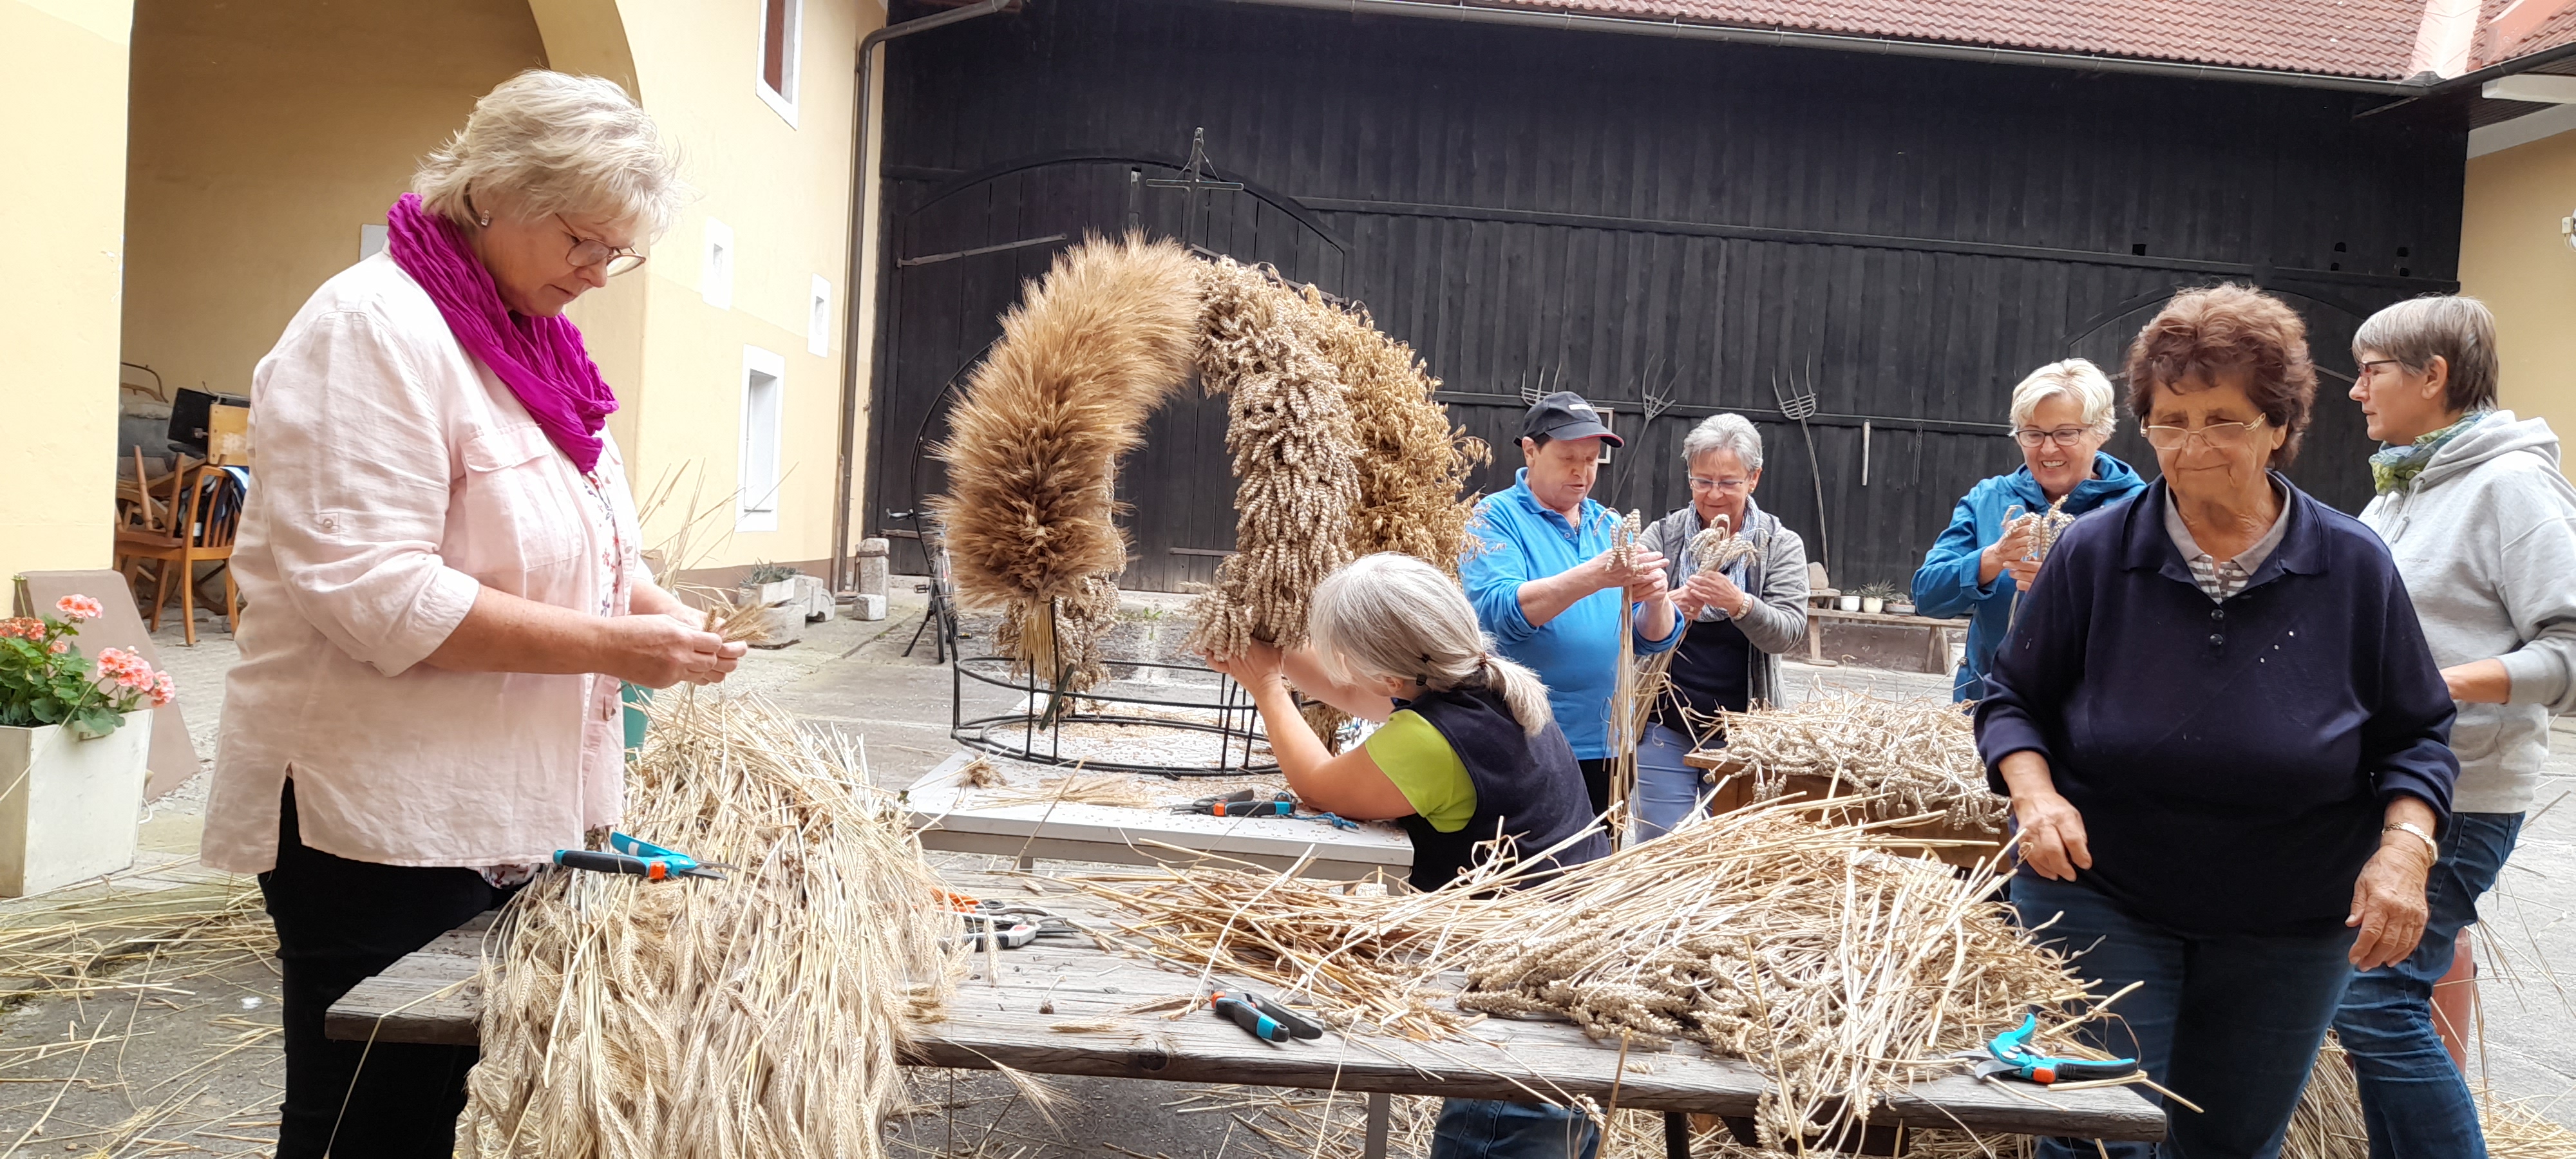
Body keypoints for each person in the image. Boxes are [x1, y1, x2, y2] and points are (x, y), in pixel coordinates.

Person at [198, 71, 743, 1158]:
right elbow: (375, 590)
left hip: (500, 806)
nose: (600, 273)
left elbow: (584, 548)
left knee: (434, 1107)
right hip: (380, 815)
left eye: (619, 253)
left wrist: (656, 611)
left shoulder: (537, 348)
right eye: (584, 240)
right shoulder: (372, 329)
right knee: (365, 1124)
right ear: (494, 192)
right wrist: (614, 647)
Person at [1976, 285, 2459, 1159]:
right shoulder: (2096, 552)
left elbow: (2416, 733)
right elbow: (2012, 699)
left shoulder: (2350, 565)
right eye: (2170, 422)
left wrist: (2404, 851)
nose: (2192, 446)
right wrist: (2035, 797)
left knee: (2229, 1143)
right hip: (2102, 891)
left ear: (2279, 426)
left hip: (2289, 917)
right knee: (2096, 1138)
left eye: (2223, 421)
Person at [1206, 552, 1608, 1159]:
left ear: (1392, 676)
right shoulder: (1489, 683)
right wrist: (1273, 656)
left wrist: (1266, 687)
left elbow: (1319, 785)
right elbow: (1356, 693)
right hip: (1572, 965)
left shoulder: (1431, 739)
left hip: (1517, 1011)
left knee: (1493, 1140)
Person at [2333, 294, 2576, 1159]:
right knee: (2363, 1004)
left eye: (2370, 371)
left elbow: (2571, 650)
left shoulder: (2512, 485)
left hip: (2461, 792)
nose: (2355, 391)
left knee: (2374, 1002)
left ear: (2433, 376)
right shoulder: (2409, 485)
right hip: (2387, 787)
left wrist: (2435, 687)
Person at [1461, 391, 1678, 821]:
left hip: (1608, 741)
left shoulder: (1608, 524)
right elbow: (1500, 614)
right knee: (1529, 858)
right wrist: (1594, 576)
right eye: (1568, 459)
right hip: (1526, 737)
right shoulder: (1493, 518)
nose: (1582, 473)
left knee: (1602, 857)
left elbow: (1647, 640)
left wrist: (1657, 599)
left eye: (1592, 460)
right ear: (1531, 451)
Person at [1912, 359, 2146, 701]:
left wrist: (2066, 590)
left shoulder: (2138, 509)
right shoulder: (1989, 499)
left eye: (2066, 433)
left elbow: (2153, 623)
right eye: (2033, 434)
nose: (2048, 449)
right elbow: (1927, 597)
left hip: (2090, 712)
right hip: (1986, 705)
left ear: (2102, 432)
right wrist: (1992, 559)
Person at [1631, 414, 1809, 838]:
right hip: (1663, 722)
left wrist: (1740, 604)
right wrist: (1665, 607)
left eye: (1728, 482)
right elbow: (1621, 615)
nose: (1713, 494)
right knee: (1659, 845)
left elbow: (1788, 631)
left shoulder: (1779, 544)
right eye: (1702, 481)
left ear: (1754, 479)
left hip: (1743, 731)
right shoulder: (1663, 537)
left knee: (1730, 847)